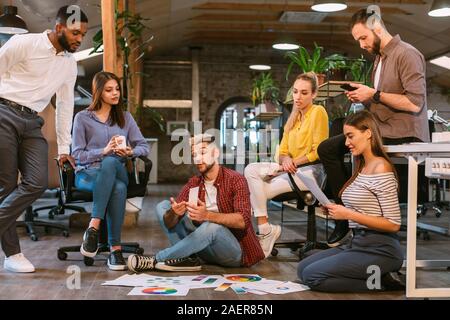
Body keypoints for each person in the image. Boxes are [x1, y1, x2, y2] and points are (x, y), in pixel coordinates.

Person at [318, 7, 429, 245]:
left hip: (403, 131)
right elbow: (382, 97)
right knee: (333, 140)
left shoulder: (407, 54)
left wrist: (374, 94)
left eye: (363, 38)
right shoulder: (380, 59)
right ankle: (348, 212)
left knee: (339, 145)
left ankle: (346, 216)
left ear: (377, 27)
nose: (361, 45)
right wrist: (364, 95)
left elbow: (413, 103)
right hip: (381, 127)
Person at [0, 5, 88, 273]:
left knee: (36, 182)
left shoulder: (69, 64)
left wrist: (64, 148)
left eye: (83, 35)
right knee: (4, 186)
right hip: (3, 111)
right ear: (59, 27)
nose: (79, 39)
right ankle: (13, 254)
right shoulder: (23, 43)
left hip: (32, 122)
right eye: (75, 33)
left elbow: (64, 106)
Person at [298, 110, 404, 292]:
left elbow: (393, 224)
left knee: (312, 276)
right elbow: (362, 209)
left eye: (350, 136)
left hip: (381, 249)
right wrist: (336, 209)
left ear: (368, 133)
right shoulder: (361, 167)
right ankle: (376, 275)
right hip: (357, 243)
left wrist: (347, 213)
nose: (347, 143)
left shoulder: (381, 168)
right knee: (302, 269)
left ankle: (381, 283)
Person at [127, 134, 264, 272]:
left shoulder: (236, 180)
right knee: (162, 206)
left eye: (203, 152)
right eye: (194, 154)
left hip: (235, 253)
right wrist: (174, 213)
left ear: (215, 153)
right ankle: (187, 259)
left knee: (211, 226)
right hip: (205, 250)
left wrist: (207, 215)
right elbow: (169, 223)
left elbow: (243, 221)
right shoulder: (194, 183)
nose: (198, 158)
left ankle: (156, 259)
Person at [244, 72, 329, 257]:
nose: (298, 97)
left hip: (310, 173)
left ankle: (263, 232)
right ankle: (265, 229)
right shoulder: (293, 117)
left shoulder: (318, 112)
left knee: (255, 191)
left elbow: (318, 152)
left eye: (304, 93)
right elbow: (282, 151)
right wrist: (286, 161)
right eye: (296, 92)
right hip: (289, 169)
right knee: (250, 170)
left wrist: (292, 163)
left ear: (314, 94)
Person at [71, 72, 149, 271]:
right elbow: (77, 154)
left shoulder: (125, 118)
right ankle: (115, 250)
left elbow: (144, 146)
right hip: (88, 173)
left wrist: (130, 151)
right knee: (118, 188)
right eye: (109, 90)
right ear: (98, 92)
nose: (115, 93)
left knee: (111, 163)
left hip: (118, 168)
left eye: (117, 89)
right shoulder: (82, 118)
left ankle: (93, 227)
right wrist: (103, 151)